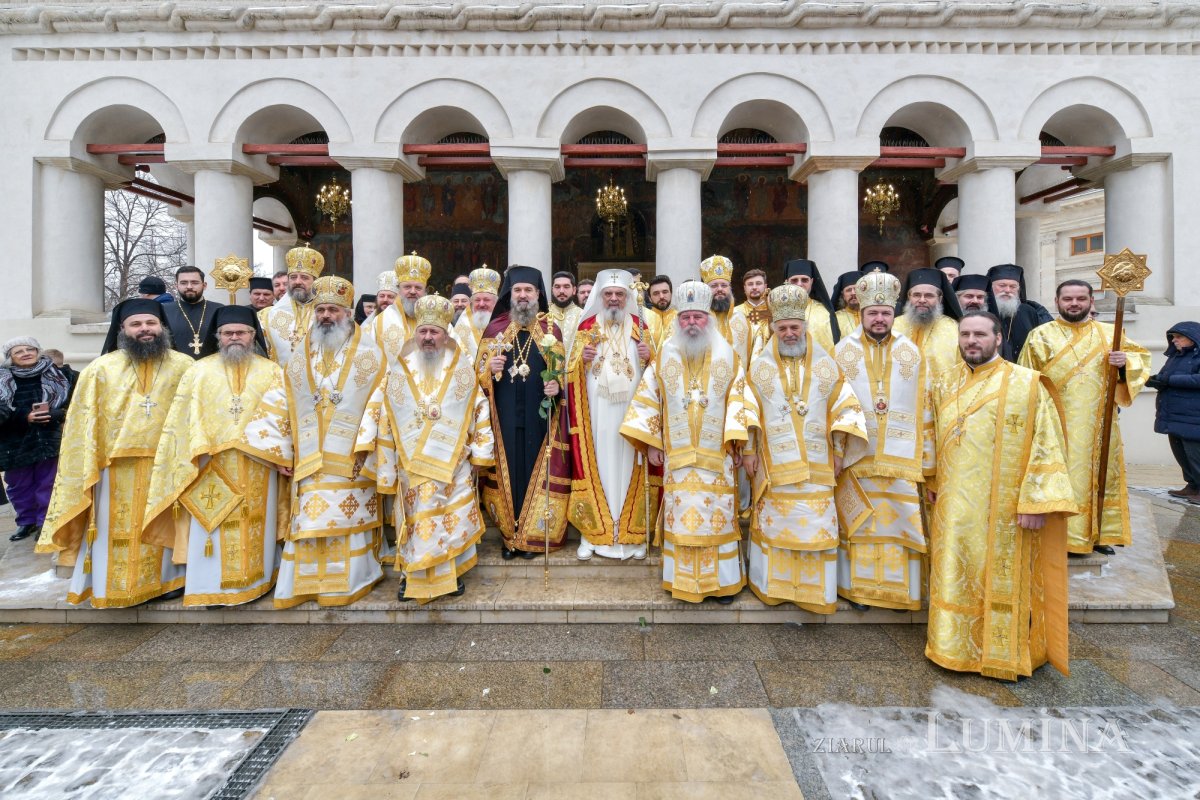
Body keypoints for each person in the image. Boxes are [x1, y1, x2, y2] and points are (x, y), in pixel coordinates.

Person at [926, 311, 1077, 680]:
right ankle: (949, 648)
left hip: (1004, 507)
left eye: (979, 334)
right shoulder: (944, 382)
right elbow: (929, 434)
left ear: (997, 339)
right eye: (965, 335)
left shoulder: (1026, 384)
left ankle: (998, 654)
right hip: (952, 506)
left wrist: (1034, 502)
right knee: (952, 574)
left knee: (997, 578)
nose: (971, 341)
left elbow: (1047, 445)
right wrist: (931, 481)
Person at [36, 299, 192, 607]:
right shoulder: (100, 369)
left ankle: (168, 582)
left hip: (168, 466)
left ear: (162, 327)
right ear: (122, 329)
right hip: (114, 470)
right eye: (136, 324)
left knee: (164, 524)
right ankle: (116, 584)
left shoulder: (185, 366)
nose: (144, 329)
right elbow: (82, 422)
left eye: (150, 323)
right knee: (115, 530)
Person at [142, 306, 293, 607]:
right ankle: (209, 586)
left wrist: (283, 455)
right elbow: (183, 418)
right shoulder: (198, 371)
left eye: (241, 332)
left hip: (259, 464)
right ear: (218, 336)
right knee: (210, 522)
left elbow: (284, 418)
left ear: (253, 336)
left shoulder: (272, 370)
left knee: (256, 523)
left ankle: (260, 580)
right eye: (227, 333)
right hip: (211, 463)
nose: (234, 337)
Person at [357, 295, 494, 602]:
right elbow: (379, 411)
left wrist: (482, 454)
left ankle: (452, 574)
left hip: (453, 462)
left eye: (435, 332)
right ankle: (410, 577)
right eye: (423, 332)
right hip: (411, 462)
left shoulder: (462, 371)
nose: (429, 338)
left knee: (449, 518)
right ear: (415, 335)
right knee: (414, 518)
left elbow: (480, 409)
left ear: (446, 335)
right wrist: (374, 451)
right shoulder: (398, 371)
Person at [621, 280, 750, 603]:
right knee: (683, 518)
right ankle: (683, 582)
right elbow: (649, 398)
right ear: (678, 321)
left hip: (715, 456)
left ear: (708, 318)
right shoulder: (665, 354)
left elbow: (739, 399)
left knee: (716, 516)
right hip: (677, 457)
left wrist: (736, 443)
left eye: (698, 317)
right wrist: (652, 442)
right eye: (686, 318)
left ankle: (721, 584)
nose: (691, 323)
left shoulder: (728, 355)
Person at [742, 285, 868, 612]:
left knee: (814, 527)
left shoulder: (827, 366)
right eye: (782, 328)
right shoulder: (759, 367)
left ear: (803, 328)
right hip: (774, 464)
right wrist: (749, 451)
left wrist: (840, 452)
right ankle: (775, 588)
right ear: (774, 329)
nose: (788, 333)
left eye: (794, 327)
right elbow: (748, 410)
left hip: (818, 464)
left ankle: (813, 593)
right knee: (777, 526)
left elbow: (844, 408)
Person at [275, 276, 386, 608]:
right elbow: (283, 404)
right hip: (310, 455)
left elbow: (380, 405)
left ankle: (353, 578)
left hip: (352, 457)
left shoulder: (373, 356)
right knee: (309, 518)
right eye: (321, 309)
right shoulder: (299, 357)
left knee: (348, 519)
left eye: (333, 310)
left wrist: (368, 446)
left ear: (348, 313)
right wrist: (284, 450)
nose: (326, 316)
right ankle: (308, 583)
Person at [1020, 280, 1150, 555]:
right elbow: (1025, 379)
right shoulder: (1040, 335)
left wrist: (1125, 364)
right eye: (1068, 299)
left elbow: (1141, 361)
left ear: (1091, 302)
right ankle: (1059, 537)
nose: (1074, 303)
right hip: (1053, 426)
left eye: (1080, 298)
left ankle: (1097, 535)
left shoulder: (1110, 333)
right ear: (1057, 302)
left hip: (1098, 427)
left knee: (1097, 477)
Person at [834, 271, 933, 612]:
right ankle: (856, 591)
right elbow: (832, 407)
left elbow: (926, 407)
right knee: (859, 524)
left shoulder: (912, 354)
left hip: (900, 456)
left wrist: (927, 460)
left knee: (898, 523)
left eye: (885, 313)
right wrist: (835, 451)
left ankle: (898, 592)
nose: (879, 318)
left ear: (894, 314)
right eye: (872, 313)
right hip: (857, 455)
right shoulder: (842, 351)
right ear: (860, 315)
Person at [477, 266, 570, 559]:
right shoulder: (495, 329)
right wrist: (488, 372)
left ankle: (531, 537)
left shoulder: (551, 330)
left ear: (538, 295)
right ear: (510, 294)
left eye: (528, 290)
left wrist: (558, 387)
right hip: (504, 416)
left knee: (533, 472)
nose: (523, 295)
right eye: (518, 290)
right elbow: (476, 377)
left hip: (539, 416)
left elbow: (563, 375)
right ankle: (509, 537)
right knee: (509, 473)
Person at [567, 269, 657, 561]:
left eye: (620, 294)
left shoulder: (641, 328)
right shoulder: (587, 328)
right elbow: (568, 373)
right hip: (597, 413)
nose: (615, 299)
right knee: (599, 465)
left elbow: (657, 372)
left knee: (631, 465)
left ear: (628, 297)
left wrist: (650, 355)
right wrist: (581, 360)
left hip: (632, 414)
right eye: (609, 294)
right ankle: (593, 533)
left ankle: (632, 534)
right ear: (600, 297)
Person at [0, 338, 71, 542]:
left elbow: (76, 403)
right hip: (14, 441)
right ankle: (26, 521)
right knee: (18, 484)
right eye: (18, 351)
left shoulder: (59, 375)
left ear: (38, 351)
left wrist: (57, 414)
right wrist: (24, 416)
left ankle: (44, 523)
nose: (25, 353)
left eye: (29, 349)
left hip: (48, 437)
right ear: (10, 358)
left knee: (47, 483)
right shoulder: (2, 378)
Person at [1149, 322, 1200, 502]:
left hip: (1193, 417)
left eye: (1179, 337)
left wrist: (1169, 380)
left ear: (1193, 339)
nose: (1174, 340)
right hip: (1174, 413)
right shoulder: (1176, 356)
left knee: (1195, 453)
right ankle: (1192, 485)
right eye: (1172, 337)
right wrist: (1156, 380)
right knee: (1180, 452)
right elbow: (1167, 377)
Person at [261, 244, 324, 368]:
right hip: (281, 382)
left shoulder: (328, 313)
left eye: (304, 277)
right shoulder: (267, 315)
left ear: (315, 282)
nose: (297, 281)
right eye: (293, 277)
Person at [893, 268, 963, 379]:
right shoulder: (894, 326)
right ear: (908, 297)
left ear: (940, 299)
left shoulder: (954, 329)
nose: (922, 300)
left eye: (929, 296)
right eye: (916, 295)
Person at [987, 263, 1053, 362]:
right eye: (1002, 286)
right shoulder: (983, 310)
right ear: (991, 287)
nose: (1007, 290)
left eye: (1013, 286)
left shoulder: (1029, 311)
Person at [371, 252, 430, 361]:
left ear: (425, 291)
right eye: (407, 287)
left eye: (418, 288)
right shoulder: (380, 321)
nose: (412, 291)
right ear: (399, 290)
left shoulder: (439, 318)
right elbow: (371, 358)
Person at [701, 255, 753, 365]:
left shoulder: (742, 319)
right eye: (714, 285)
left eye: (724, 285)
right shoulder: (699, 319)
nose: (719, 289)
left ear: (730, 288)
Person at [164, 266, 225, 358]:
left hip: (210, 368)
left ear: (204, 285)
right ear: (176, 286)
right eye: (184, 283)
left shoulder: (219, 309)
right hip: (176, 369)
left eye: (194, 282)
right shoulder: (164, 310)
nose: (189, 286)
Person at [782, 259, 839, 353]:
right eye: (794, 280)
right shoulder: (776, 311)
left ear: (812, 282)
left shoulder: (824, 313)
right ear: (786, 281)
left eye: (804, 280)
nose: (799, 284)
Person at [453, 266, 501, 365]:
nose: (481, 304)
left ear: (495, 302)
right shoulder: (462, 326)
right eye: (477, 300)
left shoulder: (505, 323)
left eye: (486, 300)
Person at [548, 270, 584, 358]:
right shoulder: (543, 315)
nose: (561, 291)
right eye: (557, 287)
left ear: (574, 290)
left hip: (575, 370)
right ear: (552, 290)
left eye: (566, 287)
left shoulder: (583, 316)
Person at [735, 268, 771, 347]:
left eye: (758, 283)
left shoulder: (774, 311)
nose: (754, 287)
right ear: (744, 288)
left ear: (765, 286)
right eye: (750, 284)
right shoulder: (735, 313)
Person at [645, 275, 675, 348]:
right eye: (656, 293)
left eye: (665, 292)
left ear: (671, 294)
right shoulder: (643, 319)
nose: (661, 296)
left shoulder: (681, 318)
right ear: (649, 298)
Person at [832, 270, 862, 336]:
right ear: (843, 296)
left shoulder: (872, 315)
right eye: (848, 290)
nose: (853, 293)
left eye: (856, 289)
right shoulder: (834, 319)